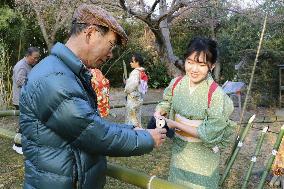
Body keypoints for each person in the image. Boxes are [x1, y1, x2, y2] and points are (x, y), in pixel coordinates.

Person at [19, 4, 166, 189]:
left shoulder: (68, 72)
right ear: (90, 33)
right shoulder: (54, 78)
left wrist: (131, 130)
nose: (111, 54)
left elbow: (89, 123)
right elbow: (94, 134)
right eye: (111, 45)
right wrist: (147, 139)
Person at [154, 37, 236, 188]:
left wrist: (174, 124)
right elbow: (166, 102)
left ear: (211, 66)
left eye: (201, 64)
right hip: (179, 151)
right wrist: (160, 110)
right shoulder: (177, 83)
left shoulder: (216, 94)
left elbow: (210, 132)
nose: (194, 69)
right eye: (190, 62)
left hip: (203, 157)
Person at [11, 46, 40, 155]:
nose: (36, 60)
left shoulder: (29, 64)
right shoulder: (21, 66)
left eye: (38, 58)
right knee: (24, 123)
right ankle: (18, 145)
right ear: (27, 56)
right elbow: (20, 81)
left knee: (25, 123)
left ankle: (18, 144)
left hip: (26, 99)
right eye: (34, 58)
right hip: (21, 100)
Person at [124, 53, 148, 127]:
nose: (130, 63)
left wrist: (126, 88)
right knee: (137, 116)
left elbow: (130, 86)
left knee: (131, 118)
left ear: (137, 62)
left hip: (133, 99)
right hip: (139, 98)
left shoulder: (135, 72)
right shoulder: (142, 72)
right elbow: (143, 87)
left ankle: (132, 133)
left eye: (132, 61)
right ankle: (138, 132)